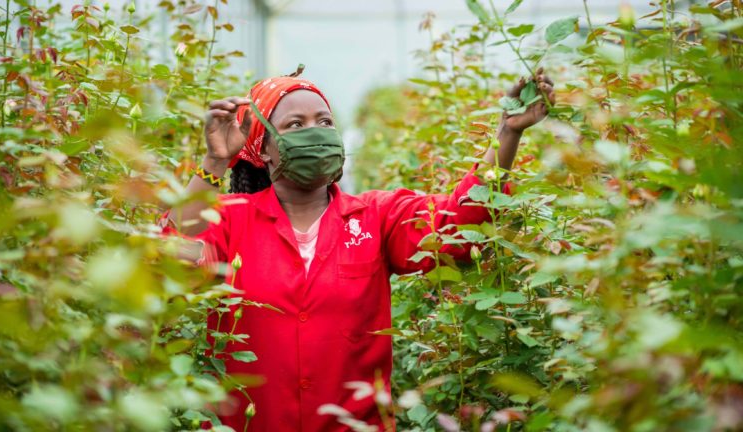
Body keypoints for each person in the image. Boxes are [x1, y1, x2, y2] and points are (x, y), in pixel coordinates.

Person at [164, 67, 555, 431]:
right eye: (295, 125)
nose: (315, 132)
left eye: (325, 122)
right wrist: (214, 161)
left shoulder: (375, 216)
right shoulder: (230, 220)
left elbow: (457, 224)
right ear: (263, 148)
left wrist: (508, 133)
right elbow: (173, 264)